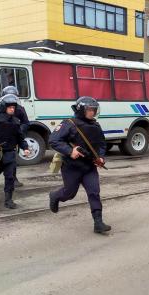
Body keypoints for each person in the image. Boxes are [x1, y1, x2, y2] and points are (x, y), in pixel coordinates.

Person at [48, 96, 111, 234]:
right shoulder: (69, 124)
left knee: (94, 193)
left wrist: (100, 157)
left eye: (94, 110)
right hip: (72, 167)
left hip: (89, 167)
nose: (92, 113)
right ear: (81, 110)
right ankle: (55, 196)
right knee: (70, 193)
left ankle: (98, 223)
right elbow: (53, 140)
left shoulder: (96, 125)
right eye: (89, 110)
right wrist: (70, 151)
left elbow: (101, 144)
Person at [0, 86, 30, 187]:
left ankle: (13, 178)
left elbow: (26, 122)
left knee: (12, 158)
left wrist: (19, 130)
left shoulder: (19, 109)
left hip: (11, 138)